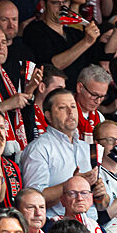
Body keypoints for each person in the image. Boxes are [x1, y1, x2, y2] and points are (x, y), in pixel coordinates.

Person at [18, 88, 93, 217]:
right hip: (57, 224)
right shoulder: (39, 148)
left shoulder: (86, 148)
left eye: (73, 107)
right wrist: (72, 183)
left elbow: (103, 203)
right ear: (48, 116)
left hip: (91, 222)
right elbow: (33, 199)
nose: (70, 112)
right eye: (62, 108)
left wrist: (101, 193)